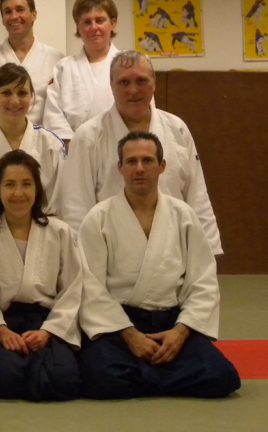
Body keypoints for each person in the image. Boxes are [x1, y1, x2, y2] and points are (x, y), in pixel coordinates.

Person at [76, 131, 240, 399]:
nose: (139, 168)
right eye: (131, 162)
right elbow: (89, 285)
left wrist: (181, 331)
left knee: (222, 377)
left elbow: (203, 280)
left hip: (170, 322)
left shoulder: (183, 215)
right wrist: (129, 335)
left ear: (162, 167)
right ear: (119, 168)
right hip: (120, 324)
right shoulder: (99, 218)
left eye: (148, 160)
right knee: (102, 380)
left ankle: (142, 376)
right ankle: (165, 375)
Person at [60, 50, 221, 255]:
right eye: (124, 82)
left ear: (154, 84)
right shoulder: (89, 136)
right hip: (112, 256)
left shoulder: (177, 129)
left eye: (141, 81)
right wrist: (82, 261)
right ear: (111, 86)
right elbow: (76, 205)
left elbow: (197, 195)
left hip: (173, 252)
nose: (134, 90)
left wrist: (207, 251)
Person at [0, 151, 83, 401]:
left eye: (27, 184)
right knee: (5, 377)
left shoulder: (59, 231)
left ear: (37, 190)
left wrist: (48, 331)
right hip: (0, 323)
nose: (18, 193)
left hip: (45, 322)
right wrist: (1, 330)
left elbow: (73, 289)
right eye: (10, 185)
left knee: (64, 379)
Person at [0, 64, 65, 215]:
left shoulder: (50, 144)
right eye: (6, 93)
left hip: (41, 231)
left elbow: (59, 202)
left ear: (31, 96)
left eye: (22, 93)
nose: (15, 101)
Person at [43, 0, 121, 144]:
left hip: (120, 150)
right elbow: (53, 116)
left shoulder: (129, 64)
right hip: (74, 150)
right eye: (86, 22)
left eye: (100, 20)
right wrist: (75, 148)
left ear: (113, 23)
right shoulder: (64, 67)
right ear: (78, 27)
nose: (94, 28)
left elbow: (143, 111)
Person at [0, 0, 64, 125]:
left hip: (42, 141)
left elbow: (59, 110)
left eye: (20, 9)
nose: (14, 16)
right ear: (2, 19)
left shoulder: (56, 59)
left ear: (33, 15)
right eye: (8, 12)